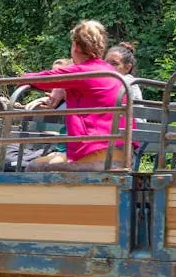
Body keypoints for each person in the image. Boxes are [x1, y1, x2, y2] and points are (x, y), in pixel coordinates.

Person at [23, 20, 133, 170]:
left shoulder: (81, 71)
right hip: (123, 155)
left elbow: (34, 79)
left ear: (75, 46)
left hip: (96, 157)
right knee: (51, 160)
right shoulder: (111, 72)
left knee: (33, 167)